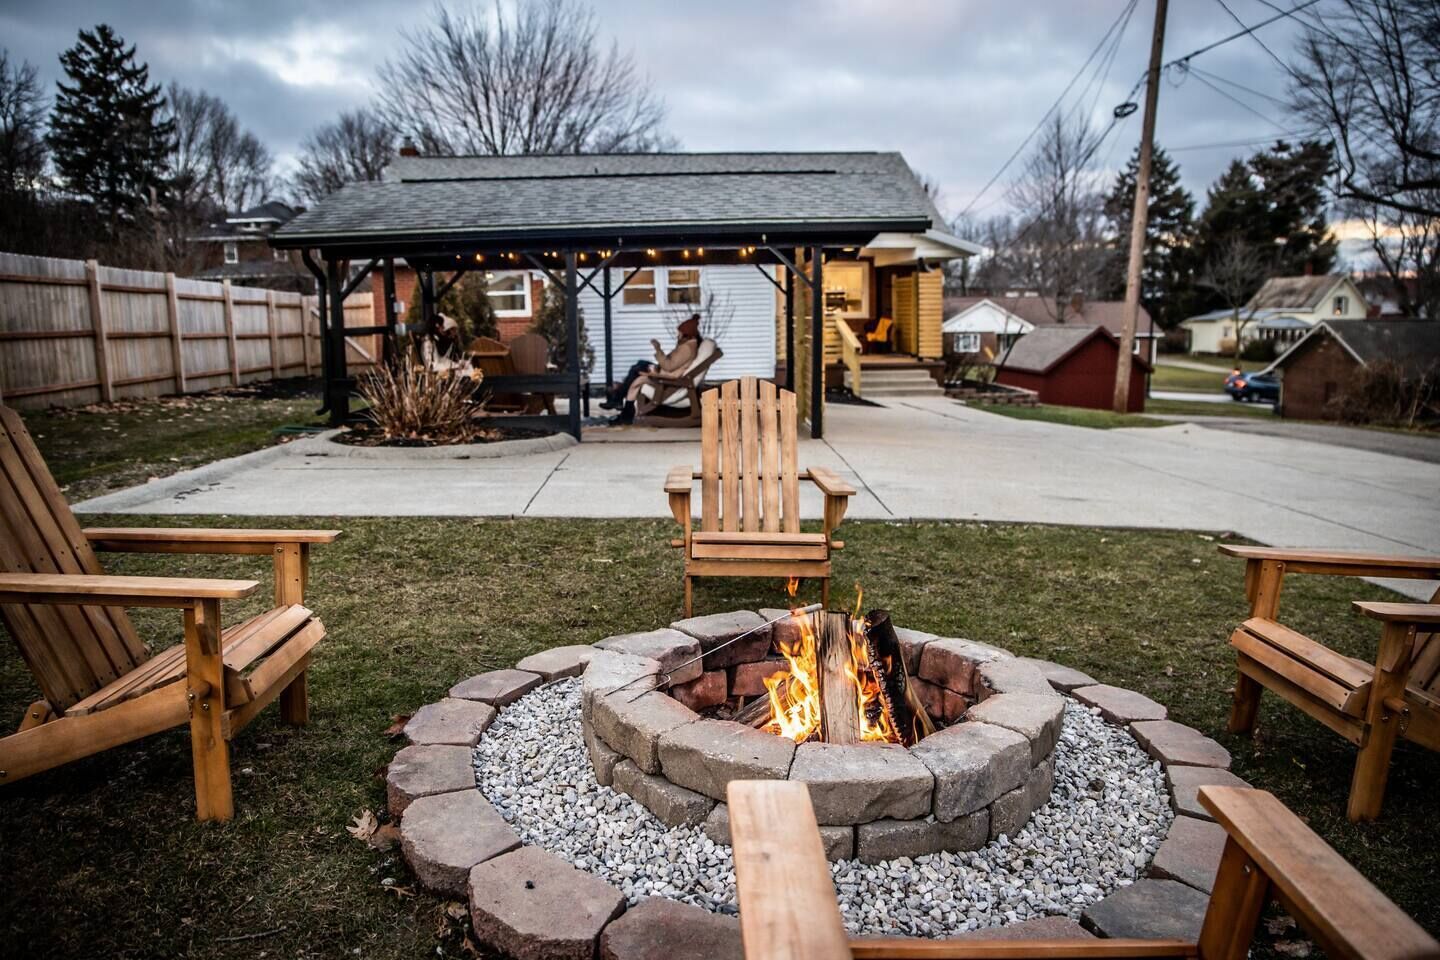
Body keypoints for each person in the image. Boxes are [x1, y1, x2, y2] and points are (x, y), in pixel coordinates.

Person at [601, 314, 703, 423]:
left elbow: (668, 366)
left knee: (637, 370)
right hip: (666, 375)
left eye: (680, 332)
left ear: (686, 334)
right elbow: (672, 364)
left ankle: (619, 400)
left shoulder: (686, 348)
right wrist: (657, 367)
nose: (678, 335)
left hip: (669, 380)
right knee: (639, 370)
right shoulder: (688, 345)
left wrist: (658, 349)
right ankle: (621, 403)